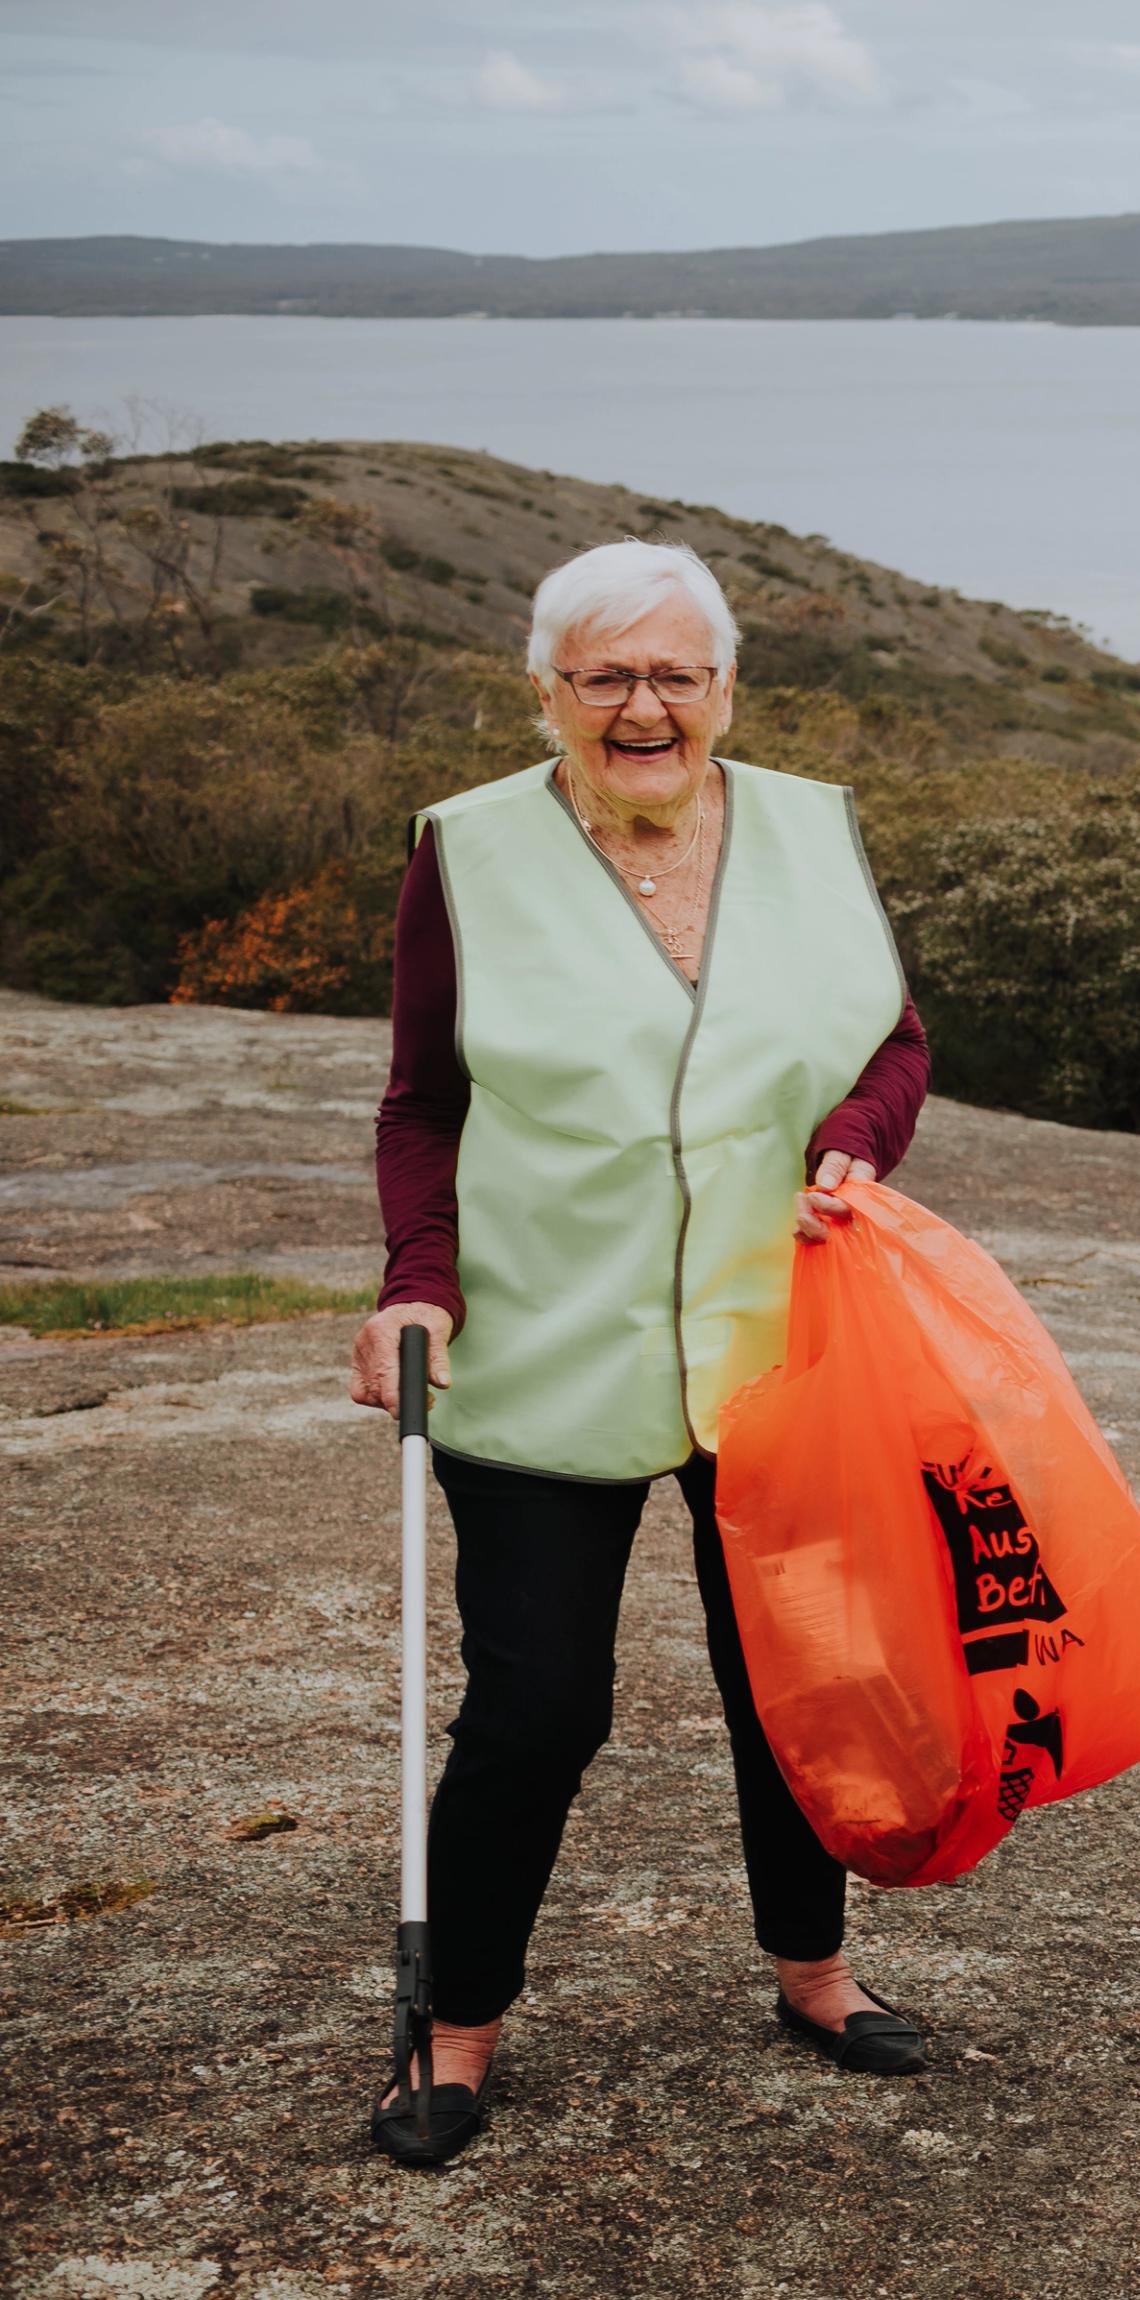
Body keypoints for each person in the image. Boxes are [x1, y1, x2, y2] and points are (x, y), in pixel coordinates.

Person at [347, 540, 934, 2169]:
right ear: (546, 691)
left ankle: (813, 1974)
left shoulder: (812, 827)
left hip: (778, 1339)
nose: (644, 704)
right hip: (545, 1341)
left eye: (677, 672)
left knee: (792, 1681)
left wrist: (856, 1141)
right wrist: (419, 1278)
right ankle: (454, 2028)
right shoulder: (466, 851)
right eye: (604, 675)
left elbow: (892, 1036)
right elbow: (422, 1101)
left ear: (727, 686)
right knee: (538, 1706)